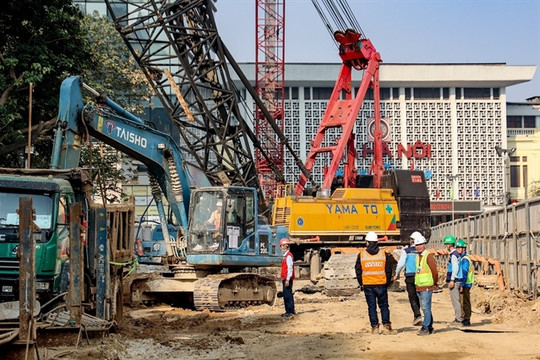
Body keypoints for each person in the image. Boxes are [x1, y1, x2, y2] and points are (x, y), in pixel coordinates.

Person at [355, 231, 396, 335]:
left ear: (367, 242)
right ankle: (387, 327)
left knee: (371, 307)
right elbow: (388, 270)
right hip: (381, 283)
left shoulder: (362, 255)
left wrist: (361, 283)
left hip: (368, 284)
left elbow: (358, 271)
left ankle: (375, 328)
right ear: (377, 242)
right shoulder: (383, 254)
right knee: (384, 306)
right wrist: (387, 282)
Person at [393, 232, 423, 326]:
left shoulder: (407, 251)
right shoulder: (422, 251)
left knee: (412, 296)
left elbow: (401, 264)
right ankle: (424, 315)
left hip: (410, 276)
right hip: (421, 276)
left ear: (412, 240)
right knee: (421, 296)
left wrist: (396, 274)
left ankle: (417, 315)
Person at [414, 231, 439, 335]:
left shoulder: (428, 256)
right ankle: (430, 327)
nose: (418, 247)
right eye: (417, 245)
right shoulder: (418, 257)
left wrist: (435, 282)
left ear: (424, 244)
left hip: (427, 286)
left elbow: (434, 271)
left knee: (425, 308)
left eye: (420, 245)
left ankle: (425, 327)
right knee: (425, 308)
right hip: (420, 286)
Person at [444, 234, 462, 323]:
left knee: (455, 300)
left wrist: (452, 280)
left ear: (449, 245)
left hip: (455, 280)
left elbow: (455, 268)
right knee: (456, 300)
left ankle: (458, 319)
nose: (446, 246)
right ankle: (458, 318)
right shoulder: (455, 254)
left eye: (446, 244)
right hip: (456, 279)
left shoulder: (454, 255)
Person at [456, 239, 474, 326]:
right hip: (465, 283)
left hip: (466, 283)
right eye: (457, 248)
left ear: (464, 249)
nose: (458, 249)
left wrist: (462, 285)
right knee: (463, 301)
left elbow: (464, 272)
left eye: (459, 248)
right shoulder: (462, 258)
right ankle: (464, 317)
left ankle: (466, 318)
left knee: (465, 301)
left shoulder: (465, 259)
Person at [280, 238, 296, 318]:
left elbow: (290, 268)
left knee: (288, 295)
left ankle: (290, 311)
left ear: (286, 246)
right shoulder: (285, 256)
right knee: (286, 295)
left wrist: (287, 279)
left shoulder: (288, 256)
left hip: (287, 279)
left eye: (282, 246)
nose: (281, 248)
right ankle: (288, 311)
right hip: (285, 278)